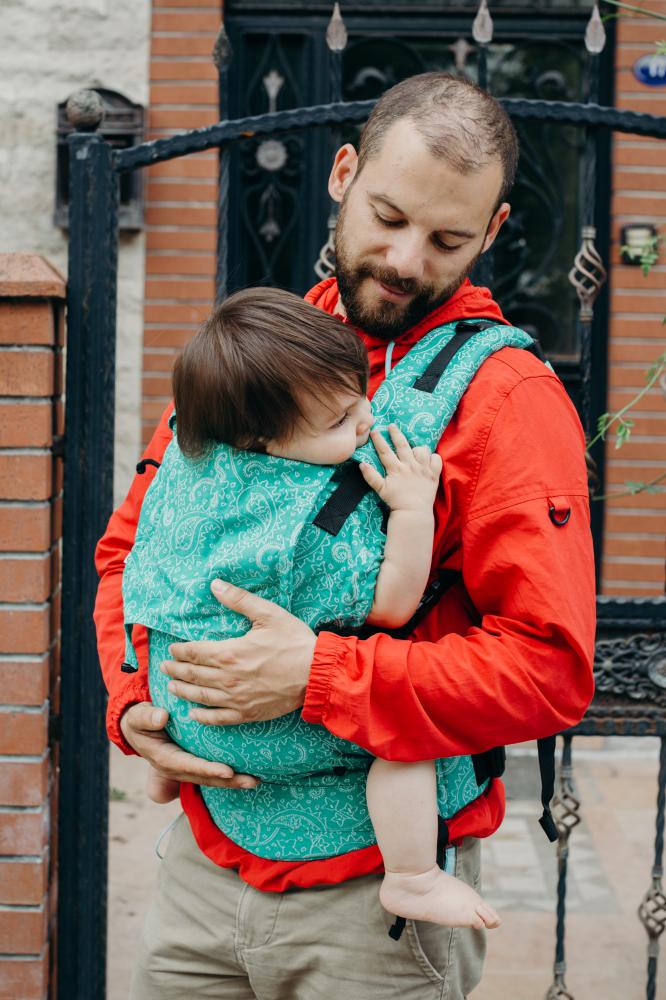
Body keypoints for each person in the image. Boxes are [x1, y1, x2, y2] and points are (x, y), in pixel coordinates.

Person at [95, 71, 596, 999]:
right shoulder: (262, 353)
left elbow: (548, 670)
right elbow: (133, 548)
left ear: (492, 234)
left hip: (371, 905)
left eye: (448, 239)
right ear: (341, 173)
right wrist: (134, 702)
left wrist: (316, 674)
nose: (406, 258)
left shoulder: (509, 402)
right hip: (203, 869)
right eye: (388, 215)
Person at [122, 285, 501, 933]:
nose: (364, 423)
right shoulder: (311, 529)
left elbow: (126, 560)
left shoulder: (189, 471)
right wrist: (411, 510)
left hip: (174, 710)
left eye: (361, 396)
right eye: (337, 422)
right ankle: (413, 877)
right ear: (262, 439)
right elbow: (391, 604)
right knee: (405, 735)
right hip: (260, 735)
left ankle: (166, 775)